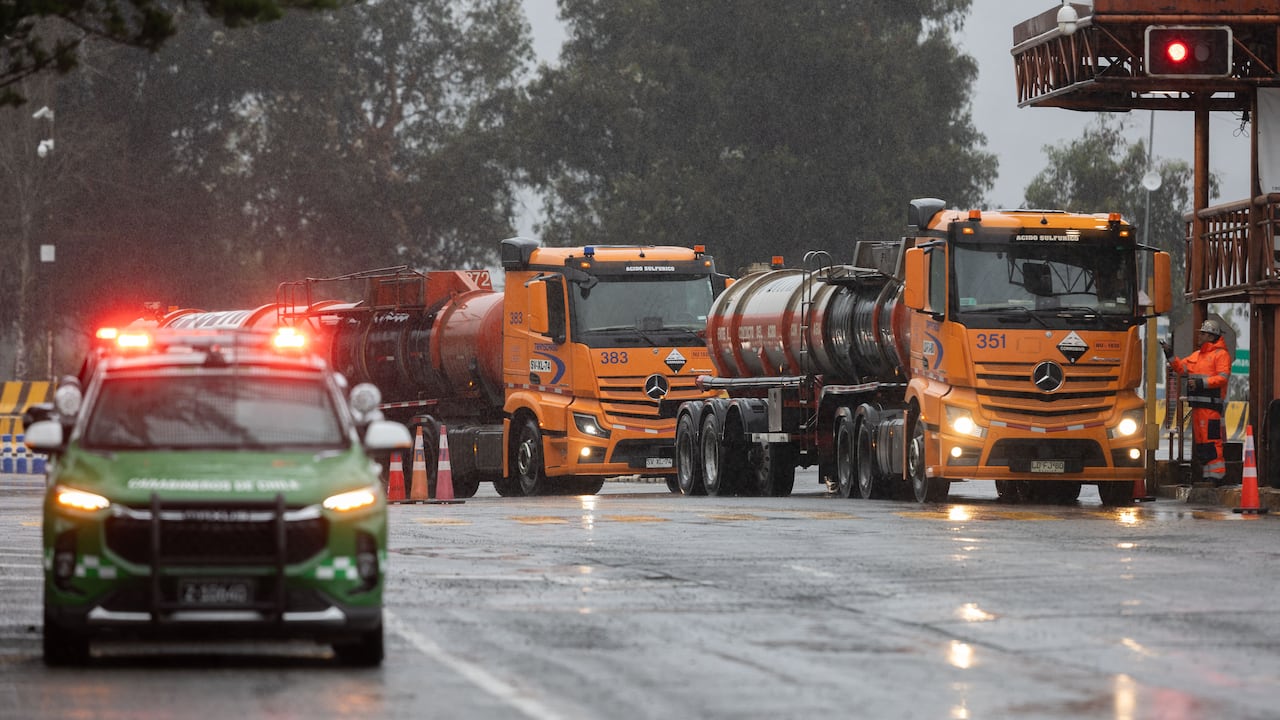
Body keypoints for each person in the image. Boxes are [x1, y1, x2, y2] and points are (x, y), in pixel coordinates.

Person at [1161, 319, 1231, 485]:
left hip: (1211, 407)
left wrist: (1200, 383)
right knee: (1202, 443)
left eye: (1203, 334)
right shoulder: (1197, 355)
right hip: (1199, 407)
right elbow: (1180, 368)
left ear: (1211, 336)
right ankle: (1208, 477)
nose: (1199, 336)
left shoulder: (1221, 355)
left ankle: (1216, 477)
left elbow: (1222, 378)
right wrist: (1169, 354)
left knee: (1211, 441)